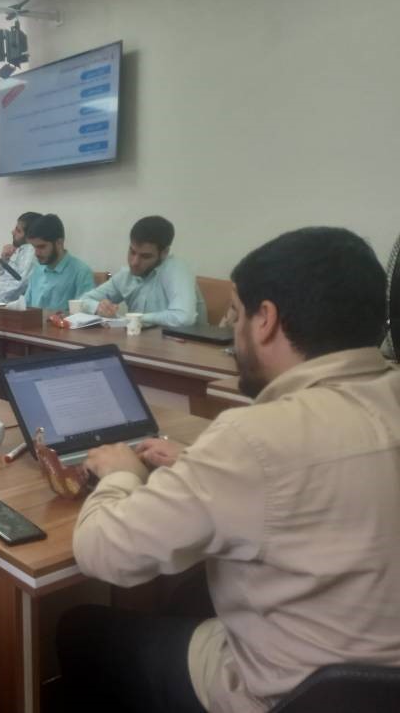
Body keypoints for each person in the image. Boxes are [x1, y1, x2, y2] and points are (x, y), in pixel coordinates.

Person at [58, 227, 400, 713]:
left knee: (81, 629)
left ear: (266, 321)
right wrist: (200, 465)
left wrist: (120, 474)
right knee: (187, 597)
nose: (231, 329)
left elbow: (103, 552)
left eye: (236, 314)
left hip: (283, 696)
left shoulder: (254, 439)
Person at [78, 215, 204, 326]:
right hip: (141, 342)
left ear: (164, 253)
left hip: (188, 344)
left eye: (145, 256)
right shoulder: (126, 275)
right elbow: (82, 301)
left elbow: (184, 318)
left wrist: (136, 318)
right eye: (132, 252)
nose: (134, 262)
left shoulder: (177, 269)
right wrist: (98, 308)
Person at [24, 214, 94, 309]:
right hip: (33, 319)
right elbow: (26, 307)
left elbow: (85, 312)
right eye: (34, 247)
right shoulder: (37, 269)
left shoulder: (81, 272)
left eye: (41, 247)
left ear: (59, 243)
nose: (36, 253)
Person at [0, 212, 41, 303]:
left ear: (30, 236)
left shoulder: (31, 253)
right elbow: (4, 279)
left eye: (18, 231)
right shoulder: (21, 250)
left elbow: (19, 286)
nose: (13, 232)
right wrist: (4, 261)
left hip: (6, 306)